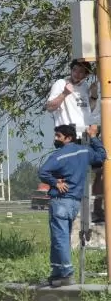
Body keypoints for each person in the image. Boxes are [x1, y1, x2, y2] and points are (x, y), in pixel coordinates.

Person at [38, 124, 107, 286]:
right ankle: (57, 273)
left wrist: (55, 183)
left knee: (59, 238)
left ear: (68, 138)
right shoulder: (84, 151)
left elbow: (42, 172)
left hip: (60, 201)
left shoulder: (59, 156)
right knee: (60, 238)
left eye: (58, 136)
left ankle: (66, 274)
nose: (56, 139)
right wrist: (94, 137)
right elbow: (101, 155)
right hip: (74, 202)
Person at [46, 58, 104, 224]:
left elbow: (88, 110)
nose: (77, 74)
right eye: (75, 70)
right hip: (68, 136)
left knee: (101, 166)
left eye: (81, 72)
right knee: (70, 175)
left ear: (86, 75)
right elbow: (50, 106)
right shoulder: (60, 83)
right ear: (71, 70)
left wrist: (93, 96)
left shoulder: (85, 87)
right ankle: (66, 211)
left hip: (85, 135)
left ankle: (97, 209)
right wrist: (65, 93)